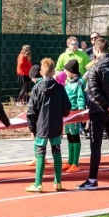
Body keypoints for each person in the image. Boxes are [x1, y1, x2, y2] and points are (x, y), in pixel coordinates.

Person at [79, 38, 109, 190]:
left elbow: (94, 91)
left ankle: (93, 179)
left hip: (99, 111)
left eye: (94, 50)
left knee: (96, 145)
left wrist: (108, 106)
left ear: (98, 50)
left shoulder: (96, 67)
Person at [25, 58, 72, 192]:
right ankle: (58, 182)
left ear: (41, 71)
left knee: (40, 152)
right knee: (56, 151)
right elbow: (67, 108)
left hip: (41, 125)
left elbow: (31, 110)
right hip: (56, 124)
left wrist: (31, 127)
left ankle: (38, 183)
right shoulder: (60, 88)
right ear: (53, 72)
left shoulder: (36, 88)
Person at [62, 59, 88, 167]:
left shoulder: (79, 83)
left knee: (75, 136)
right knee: (69, 135)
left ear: (72, 71)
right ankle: (70, 160)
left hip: (75, 113)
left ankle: (75, 163)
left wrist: (81, 113)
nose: (65, 72)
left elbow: (80, 98)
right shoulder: (68, 82)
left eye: (66, 70)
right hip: (67, 113)